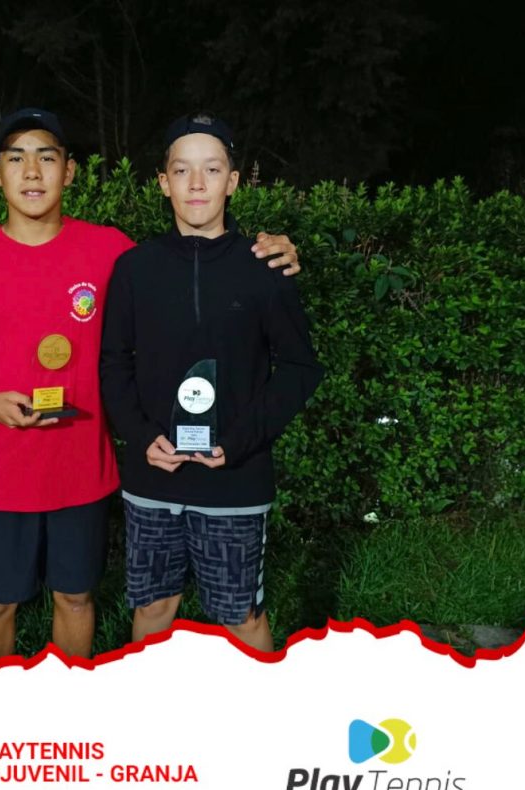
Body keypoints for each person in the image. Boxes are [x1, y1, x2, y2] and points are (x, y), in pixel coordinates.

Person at [0, 107, 301, 660]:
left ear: (70, 170)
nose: (33, 172)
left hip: (83, 468)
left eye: (47, 158)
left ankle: (77, 705)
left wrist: (275, 251)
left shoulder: (111, 252)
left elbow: (188, 261)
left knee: (76, 598)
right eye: (17, 159)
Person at [100, 112, 324, 652]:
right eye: (182, 170)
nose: (197, 183)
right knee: (153, 609)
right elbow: (112, 362)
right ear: (163, 182)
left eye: (212, 169)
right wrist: (140, 436)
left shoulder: (265, 268)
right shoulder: (134, 269)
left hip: (235, 482)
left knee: (240, 616)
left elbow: (300, 367)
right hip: (154, 477)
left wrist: (240, 442)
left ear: (233, 180)